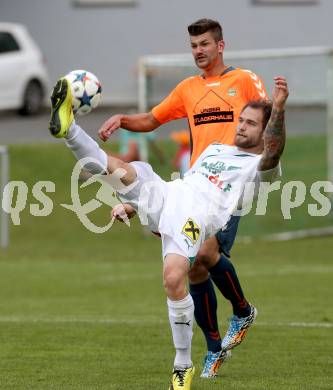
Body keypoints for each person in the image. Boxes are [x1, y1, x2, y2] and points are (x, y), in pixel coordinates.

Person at [48, 74, 288, 389]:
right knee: (112, 169)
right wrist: (138, 205)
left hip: (198, 219)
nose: (241, 126)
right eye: (241, 120)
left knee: (173, 278)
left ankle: (182, 366)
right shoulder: (215, 149)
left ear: (264, 130)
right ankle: (69, 130)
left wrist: (279, 108)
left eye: (251, 123)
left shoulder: (259, 167)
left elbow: (273, 149)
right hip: (170, 196)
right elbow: (189, 185)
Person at [97, 18, 269, 377]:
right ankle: (214, 347)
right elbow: (152, 119)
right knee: (194, 265)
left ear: (220, 45)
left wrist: (260, 163)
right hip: (195, 185)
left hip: (230, 185)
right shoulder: (188, 89)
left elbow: (266, 120)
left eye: (205, 44)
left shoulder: (245, 81)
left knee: (204, 253)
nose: (199, 51)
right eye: (193, 46)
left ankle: (241, 311)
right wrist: (121, 119)